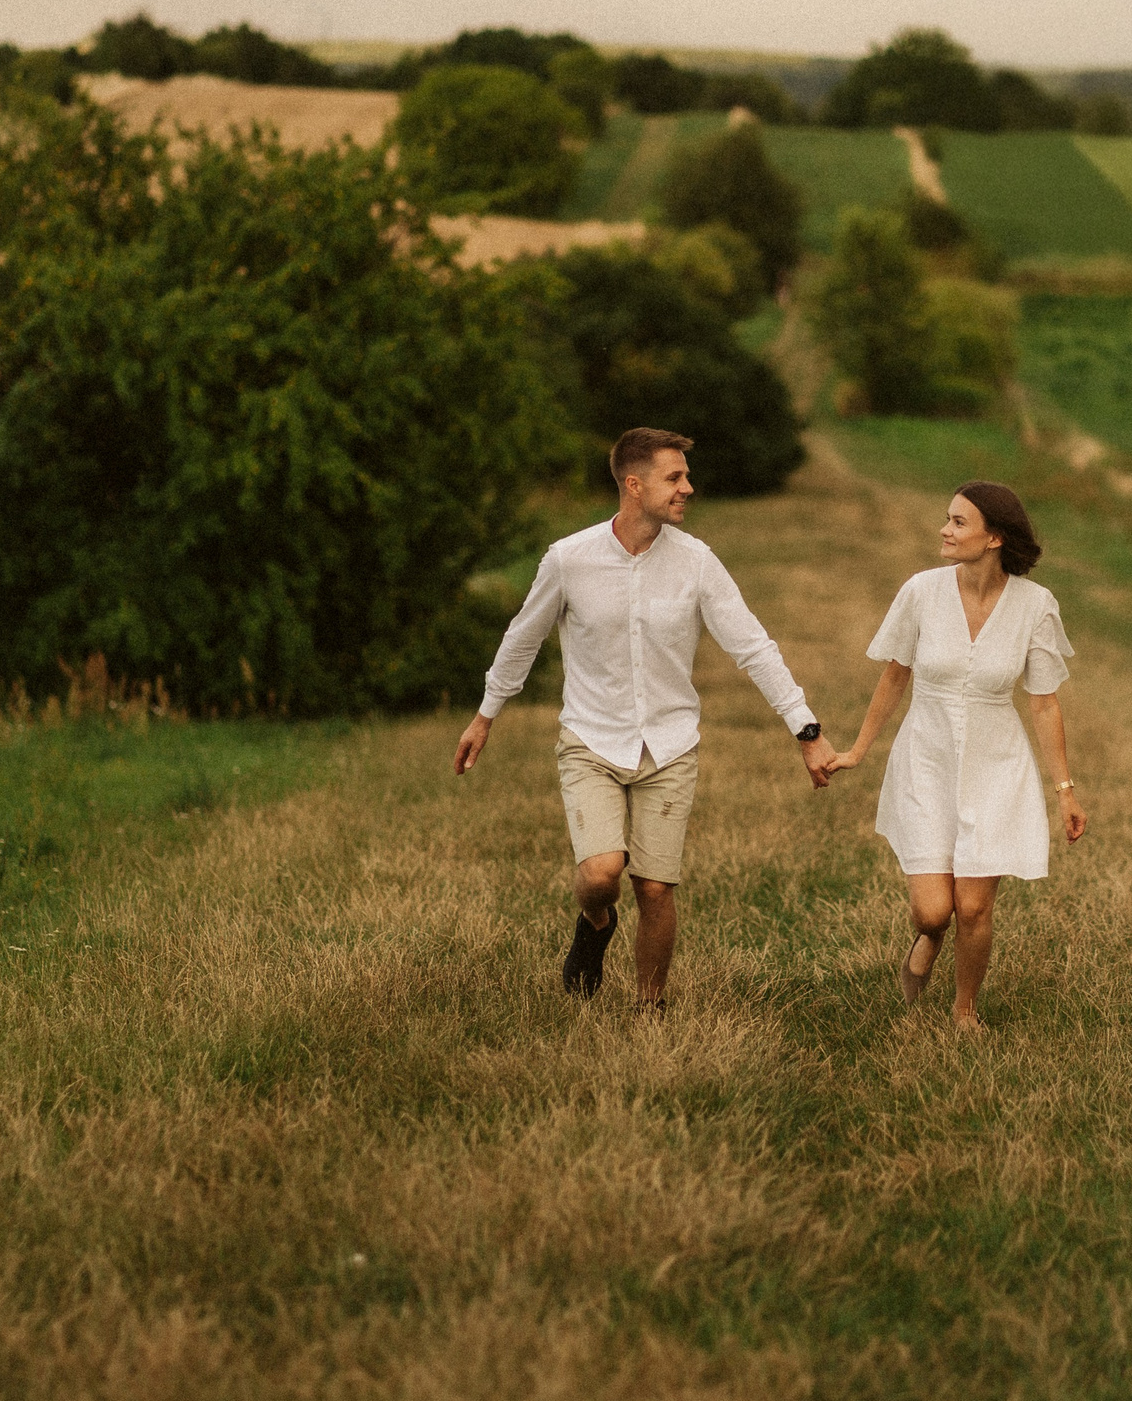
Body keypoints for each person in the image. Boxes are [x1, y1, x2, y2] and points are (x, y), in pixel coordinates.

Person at [455, 427, 841, 1009]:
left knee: (656, 888)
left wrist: (806, 730)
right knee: (601, 874)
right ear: (634, 486)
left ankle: (650, 1008)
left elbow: (753, 648)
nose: (688, 488)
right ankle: (596, 922)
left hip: (670, 744)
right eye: (674, 477)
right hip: (591, 739)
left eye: (686, 476)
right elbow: (522, 639)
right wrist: (485, 716)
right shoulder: (569, 560)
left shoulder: (696, 562)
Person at [824, 481, 1086, 1029]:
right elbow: (895, 675)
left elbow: (1043, 704)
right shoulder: (921, 591)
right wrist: (857, 750)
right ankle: (929, 935)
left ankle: (965, 1010)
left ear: (994, 538)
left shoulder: (1036, 606)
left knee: (973, 906)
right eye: (948, 518)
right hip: (926, 760)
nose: (945, 530)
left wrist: (1064, 791)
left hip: (996, 767)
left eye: (959, 522)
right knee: (934, 910)